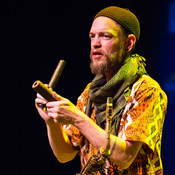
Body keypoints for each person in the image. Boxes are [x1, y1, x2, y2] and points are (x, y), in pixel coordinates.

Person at [35, 6, 167, 175]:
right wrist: (51, 122)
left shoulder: (147, 90)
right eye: (92, 36)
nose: (96, 43)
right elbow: (65, 154)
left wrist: (76, 118)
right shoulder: (90, 92)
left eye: (106, 36)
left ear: (129, 43)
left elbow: (125, 157)